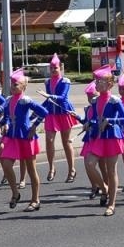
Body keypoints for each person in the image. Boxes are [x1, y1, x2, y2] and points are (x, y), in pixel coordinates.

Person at [0, 68, 50, 211]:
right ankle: (15, 192)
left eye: (16, 84)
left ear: (23, 86)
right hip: (13, 137)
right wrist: (2, 123)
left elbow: (44, 112)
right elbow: (7, 116)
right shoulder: (9, 100)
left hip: (26, 136)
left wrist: (34, 127)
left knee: (32, 170)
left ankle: (35, 200)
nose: (13, 86)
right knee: (6, 164)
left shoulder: (25, 100)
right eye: (12, 84)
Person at [84, 67, 124, 216]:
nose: (96, 84)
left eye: (100, 81)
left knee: (111, 171)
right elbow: (94, 117)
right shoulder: (96, 100)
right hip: (98, 136)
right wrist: (88, 123)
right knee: (89, 164)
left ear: (110, 84)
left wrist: (110, 120)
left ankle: (112, 203)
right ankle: (104, 189)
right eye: (96, 81)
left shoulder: (115, 100)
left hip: (111, 136)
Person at [40, 55, 78, 185]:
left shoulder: (65, 81)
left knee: (66, 142)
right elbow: (48, 100)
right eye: (51, 68)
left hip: (63, 112)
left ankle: (71, 169)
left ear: (60, 68)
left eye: (55, 68)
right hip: (51, 113)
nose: (53, 70)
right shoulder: (47, 82)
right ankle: (51, 168)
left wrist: (49, 96)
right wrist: (37, 110)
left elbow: (62, 97)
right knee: (49, 140)